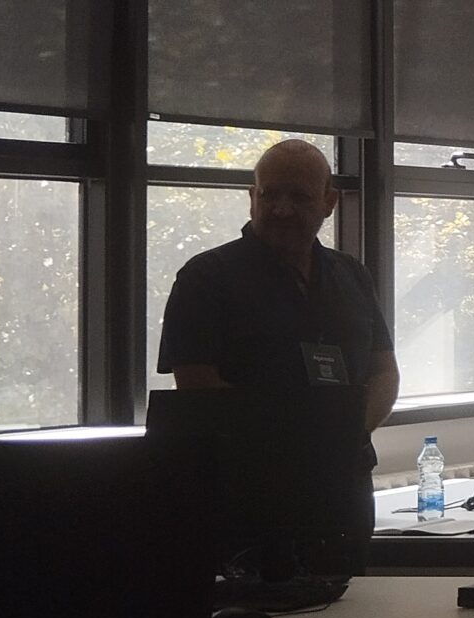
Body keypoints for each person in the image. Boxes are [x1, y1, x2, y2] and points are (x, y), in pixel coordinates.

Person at [155, 138, 399, 569]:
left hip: (343, 490)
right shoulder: (206, 278)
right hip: (248, 499)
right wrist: (292, 443)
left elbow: (384, 372)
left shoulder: (352, 275)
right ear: (252, 196)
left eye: (299, 197)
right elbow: (197, 387)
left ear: (329, 202)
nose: (281, 209)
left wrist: (344, 433)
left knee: (351, 605)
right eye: (270, 195)